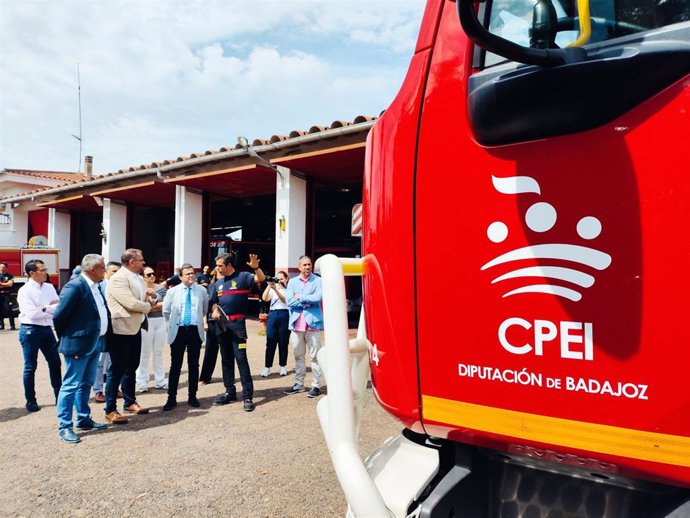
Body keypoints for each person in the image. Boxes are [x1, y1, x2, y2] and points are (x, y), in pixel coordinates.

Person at [53, 254, 110, 444]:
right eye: (102, 267)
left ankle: (83, 418)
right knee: (71, 385)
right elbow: (59, 316)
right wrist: (70, 337)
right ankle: (65, 426)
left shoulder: (96, 286)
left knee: (86, 383)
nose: (105, 270)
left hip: (95, 342)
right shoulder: (75, 286)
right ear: (92, 269)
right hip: (78, 344)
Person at [104, 248, 156, 424]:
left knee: (131, 366)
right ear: (132, 262)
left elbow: (142, 301)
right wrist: (151, 307)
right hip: (121, 329)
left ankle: (129, 402)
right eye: (141, 260)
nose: (144, 262)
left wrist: (150, 298)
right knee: (116, 369)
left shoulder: (138, 279)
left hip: (135, 327)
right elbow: (131, 303)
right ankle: (110, 409)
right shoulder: (118, 279)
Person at [210, 252, 265, 412]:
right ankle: (230, 392)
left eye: (220, 266)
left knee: (241, 360)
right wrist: (214, 310)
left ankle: (247, 396)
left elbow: (260, 279)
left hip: (238, 328)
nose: (217, 269)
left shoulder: (243, 277)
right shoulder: (218, 283)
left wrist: (256, 267)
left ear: (228, 265)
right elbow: (214, 302)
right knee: (226, 360)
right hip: (222, 327)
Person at [17, 259, 62, 412]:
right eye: (42, 270)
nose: (45, 272)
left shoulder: (49, 287)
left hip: (46, 329)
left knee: (55, 362)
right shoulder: (25, 290)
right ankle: (30, 400)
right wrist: (48, 309)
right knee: (30, 366)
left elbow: (58, 306)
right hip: (30, 330)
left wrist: (44, 308)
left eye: (45, 269)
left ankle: (59, 396)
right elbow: (32, 313)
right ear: (32, 273)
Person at [162, 263, 209, 410]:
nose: (191, 276)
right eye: (187, 274)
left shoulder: (202, 291)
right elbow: (166, 311)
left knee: (194, 365)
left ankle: (192, 396)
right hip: (178, 331)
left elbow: (204, 309)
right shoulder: (173, 292)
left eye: (192, 273)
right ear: (180, 276)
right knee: (175, 365)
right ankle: (171, 398)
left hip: (194, 330)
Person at [284, 255, 324, 398]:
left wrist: (300, 297)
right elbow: (289, 301)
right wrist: (307, 301)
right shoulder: (293, 282)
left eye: (309, 264)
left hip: (313, 324)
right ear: (299, 266)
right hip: (296, 325)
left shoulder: (318, 280)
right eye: (305, 265)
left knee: (315, 356)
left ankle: (316, 385)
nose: (307, 267)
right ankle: (299, 384)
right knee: (298, 356)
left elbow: (318, 298)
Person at [93, 261, 121, 403]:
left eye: (118, 271)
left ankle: (113, 387)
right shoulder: (99, 287)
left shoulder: (122, 287)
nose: (117, 274)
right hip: (104, 329)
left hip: (118, 328)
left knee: (114, 360)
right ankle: (98, 390)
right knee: (100, 361)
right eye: (113, 271)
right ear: (107, 272)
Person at [136, 266, 168, 392]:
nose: (152, 276)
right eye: (148, 274)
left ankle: (160, 380)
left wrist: (149, 306)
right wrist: (151, 305)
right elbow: (141, 305)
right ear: (143, 276)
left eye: (153, 273)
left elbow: (165, 304)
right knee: (144, 352)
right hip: (146, 321)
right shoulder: (140, 288)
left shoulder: (160, 287)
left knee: (158, 352)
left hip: (160, 320)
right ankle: (142, 381)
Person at [260, 271, 290, 377]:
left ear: (286, 279)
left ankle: (282, 366)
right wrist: (270, 285)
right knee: (270, 341)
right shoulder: (273, 288)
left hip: (284, 314)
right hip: (273, 314)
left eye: (282, 279)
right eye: (278, 279)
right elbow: (264, 298)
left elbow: (284, 300)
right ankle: (267, 367)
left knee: (283, 342)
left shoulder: (289, 290)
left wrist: (276, 289)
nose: (280, 281)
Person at [199, 266, 220, 385]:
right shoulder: (212, 287)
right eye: (217, 271)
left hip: (227, 322)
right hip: (212, 321)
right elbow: (206, 307)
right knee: (210, 350)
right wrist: (205, 322)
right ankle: (205, 377)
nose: (220, 272)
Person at [0, 261, 16, 331]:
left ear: (6, 268)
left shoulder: (10, 276)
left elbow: (10, 284)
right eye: (0, 267)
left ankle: (12, 325)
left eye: (3, 267)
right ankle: (1, 325)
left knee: (9, 310)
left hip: (7, 295)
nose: (2, 268)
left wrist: (1, 284)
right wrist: (5, 284)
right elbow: (8, 284)